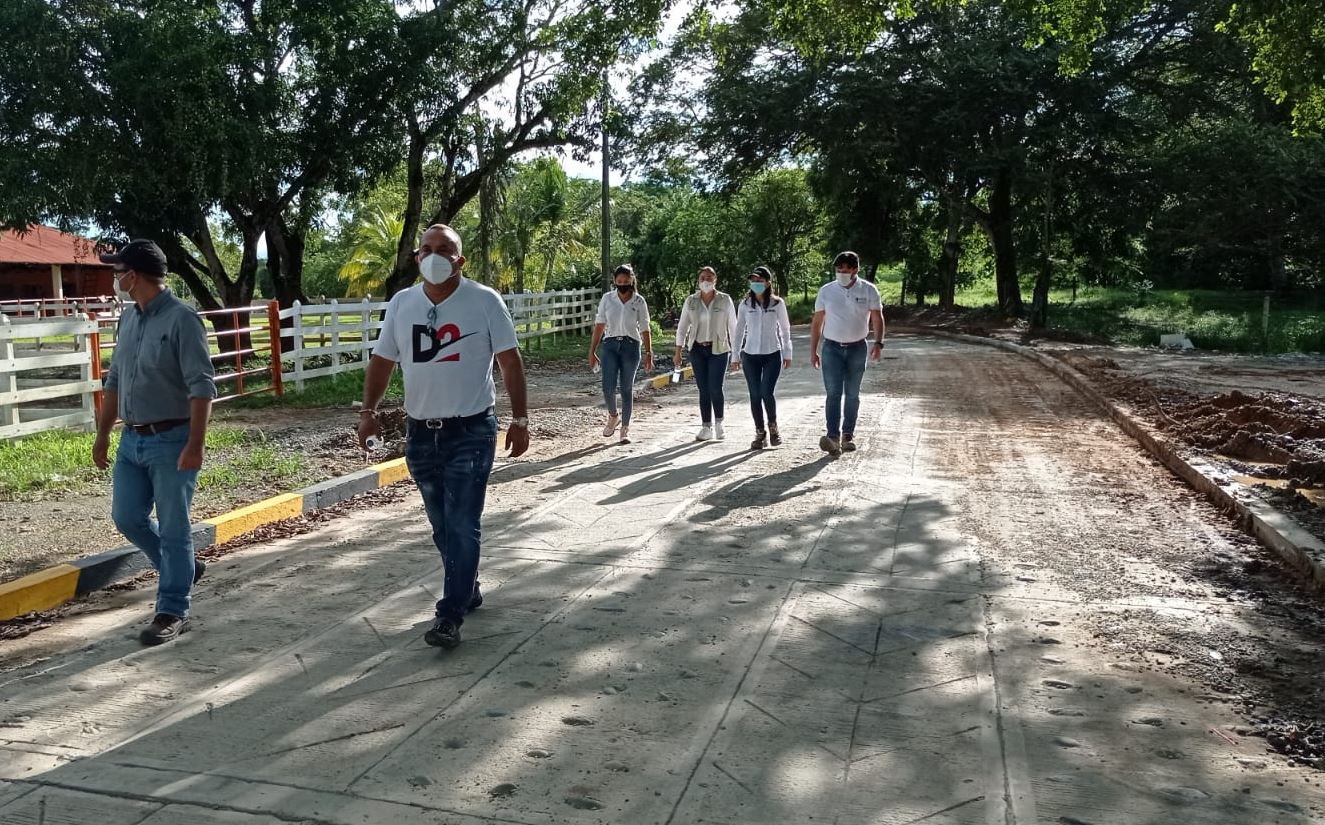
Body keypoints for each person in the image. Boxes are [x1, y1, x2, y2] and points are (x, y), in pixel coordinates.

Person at [358, 224, 530, 651]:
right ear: (416, 258)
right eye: (427, 249)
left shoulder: (484, 301)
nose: (435, 256)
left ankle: (449, 614)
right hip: (421, 434)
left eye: (445, 250)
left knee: (462, 522)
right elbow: (382, 362)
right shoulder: (402, 304)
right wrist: (368, 412)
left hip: (471, 429)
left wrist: (521, 419)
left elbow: (510, 362)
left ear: (460, 259)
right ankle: (466, 587)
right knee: (440, 525)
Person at [92, 239, 216, 646]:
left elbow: (201, 387)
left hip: (173, 439)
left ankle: (172, 609)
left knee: (176, 527)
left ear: (136, 275)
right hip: (132, 440)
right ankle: (181, 566)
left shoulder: (182, 319)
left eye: (118, 271)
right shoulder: (128, 319)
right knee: (127, 517)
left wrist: (194, 444)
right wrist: (103, 434)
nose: (115, 278)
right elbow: (113, 381)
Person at [809, 251, 885, 456]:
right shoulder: (827, 291)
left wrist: (878, 342)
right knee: (833, 393)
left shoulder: (869, 290)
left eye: (846, 268)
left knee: (852, 394)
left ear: (855, 269)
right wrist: (814, 350)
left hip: (857, 348)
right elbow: (818, 322)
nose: (841, 272)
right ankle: (832, 436)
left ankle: (848, 435)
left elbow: (877, 318)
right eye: (838, 268)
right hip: (832, 348)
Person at [587, 264, 654, 443]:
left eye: (626, 281)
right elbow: (600, 324)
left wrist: (649, 352)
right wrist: (592, 350)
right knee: (608, 386)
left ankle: (625, 428)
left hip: (631, 346)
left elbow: (645, 327)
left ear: (632, 280)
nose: (623, 285)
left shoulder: (639, 301)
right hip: (610, 345)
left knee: (626, 388)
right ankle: (613, 415)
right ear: (615, 282)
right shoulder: (607, 299)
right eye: (619, 282)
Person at [732, 266, 793, 450]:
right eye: (753, 281)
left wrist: (787, 352)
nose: (756, 284)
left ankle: (773, 428)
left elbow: (785, 330)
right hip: (750, 355)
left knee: (766, 392)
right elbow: (739, 330)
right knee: (755, 395)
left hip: (772, 354)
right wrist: (735, 354)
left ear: (768, 283)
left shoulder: (777, 304)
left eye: (760, 281)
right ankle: (760, 432)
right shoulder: (745, 304)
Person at [674, 266, 737, 441]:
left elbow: (733, 326)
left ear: (715, 279)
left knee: (715, 387)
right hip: (697, 349)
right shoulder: (691, 301)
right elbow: (682, 328)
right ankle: (706, 426)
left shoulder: (725, 300)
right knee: (703, 389)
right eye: (703, 277)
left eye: (709, 277)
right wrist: (678, 351)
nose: (706, 281)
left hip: (719, 349)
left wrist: (737, 353)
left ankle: (719, 423)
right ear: (698, 280)